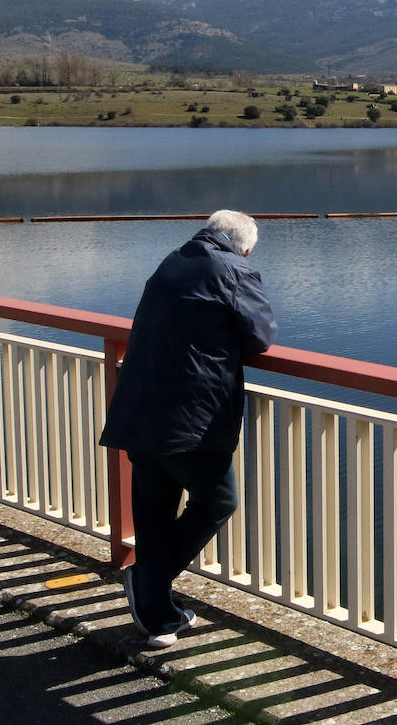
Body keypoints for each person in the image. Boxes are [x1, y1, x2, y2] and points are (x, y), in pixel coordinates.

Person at [101, 210, 277, 648]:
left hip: (140, 409)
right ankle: (146, 579)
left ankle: (158, 616)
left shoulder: (172, 261)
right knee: (219, 501)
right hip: (191, 418)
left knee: (154, 514)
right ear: (245, 245)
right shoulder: (235, 269)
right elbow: (262, 336)